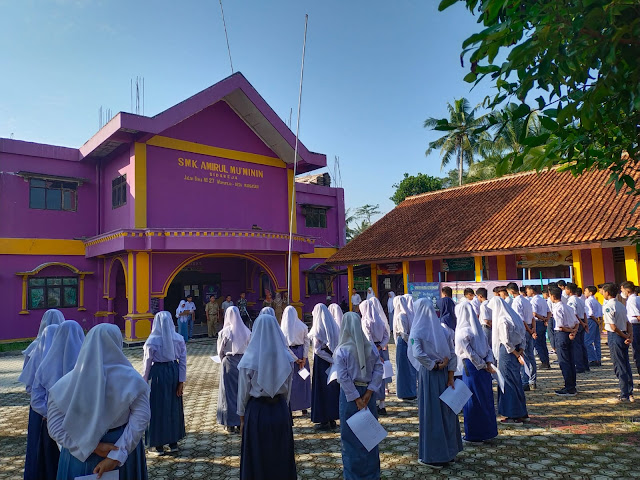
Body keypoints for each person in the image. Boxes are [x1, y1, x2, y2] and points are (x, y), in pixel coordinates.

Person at [48, 323, 150, 480]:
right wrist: (116, 455)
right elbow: (141, 418)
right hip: (121, 446)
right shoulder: (132, 379)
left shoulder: (64, 385)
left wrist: (92, 447)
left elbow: (55, 427)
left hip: (80, 455)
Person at [237, 314, 297, 480]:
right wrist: (284, 410)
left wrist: (242, 419)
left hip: (257, 412)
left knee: (258, 456)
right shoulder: (286, 358)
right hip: (279, 410)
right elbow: (288, 392)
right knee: (280, 454)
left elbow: (242, 394)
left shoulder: (248, 360)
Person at [410, 298, 462, 468]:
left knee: (432, 414)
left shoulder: (417, 331)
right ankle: (450, 452)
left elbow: (417, 354)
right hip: (445, 375)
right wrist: (450, 375)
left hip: (430, 374)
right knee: (446, 412)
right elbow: (453, 354)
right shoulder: (443, 331)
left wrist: (433, 365)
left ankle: (434, 456)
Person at [30, 321, 85, 480]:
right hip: (79, 424)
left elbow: (36, 399)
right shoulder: (88, 364)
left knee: (52, 462)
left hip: (52, 424)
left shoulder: (46, 365)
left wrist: (49, 414)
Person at [334, 312, 384, 480]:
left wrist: (356, 398)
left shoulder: (342, 350)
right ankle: (372, 474)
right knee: (368, 436)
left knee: (350, 439)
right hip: (368, 396)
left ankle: (353, 475)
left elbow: (343, 378)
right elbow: (379, 369)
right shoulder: (369, 347)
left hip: (350, 398)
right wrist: (369, 392)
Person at [142, 311, 186, 455]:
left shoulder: (151, 341)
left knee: (157, 407)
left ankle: (157, 445)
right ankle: (173, 443)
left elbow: (147, 364)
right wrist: (181, 381)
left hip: (158, 375)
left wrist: (143, 382)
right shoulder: (178, 338)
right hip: (173, 372)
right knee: (173, 406)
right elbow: (183, 361)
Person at [20, 324, 60, 480]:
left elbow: (30, 387)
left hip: (42, 413)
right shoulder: (71, 355)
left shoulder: (36, 349)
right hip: (61, 417)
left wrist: (47, 413)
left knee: (40, 448)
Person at [455, 302, 498, 443]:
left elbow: (469, 353)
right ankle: (487, 431)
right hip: (484, 367)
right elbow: (488, 349)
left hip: (472, 367)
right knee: (484, 398)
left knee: (472, 400)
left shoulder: (462, 331)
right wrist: (488, 363)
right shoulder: (478, 329)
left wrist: (482, 365)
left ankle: (474, 434)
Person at [488, 296, 528, 425]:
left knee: (507, 382)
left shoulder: (502, 320)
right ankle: (522, 412)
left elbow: (505, 342)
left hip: (507, 352)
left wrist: (516, 354)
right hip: (516, 350)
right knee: (516, 381)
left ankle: (513, 414)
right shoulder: (514, 317)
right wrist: (520, 350)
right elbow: (523, 336)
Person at [217, 306, 251, 433]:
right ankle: (240, 421)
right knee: (242, 392)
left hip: (229, 363)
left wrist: (223, 360)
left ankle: (229, 423)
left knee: (228, 393)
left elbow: (220, 351)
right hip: (243, 363)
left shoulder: (224, 332)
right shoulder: (247, 331)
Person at [309, 303, 341, 431]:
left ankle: (323, 419)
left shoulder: (317, 328)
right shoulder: (333, 326)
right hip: (331, 358)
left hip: (322, 361)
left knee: (321, 390)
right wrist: (333, 359)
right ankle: (332, 417)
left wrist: (330, 359)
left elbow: (317, 350)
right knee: (331, 388)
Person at [602, 283, 634, 402]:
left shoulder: (608, 306)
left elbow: (613, 327)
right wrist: (629, 335)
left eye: (604, 291)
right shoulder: (621, 305)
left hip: (616, 336)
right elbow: (628, 322)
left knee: (619, 365)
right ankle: (629, 392)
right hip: (624, 334)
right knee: (625, 363)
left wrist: (624, 335)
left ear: (608, 293)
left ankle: (624, 394)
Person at [360, 299, 390, 415]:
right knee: (381, 376)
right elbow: (387, 337)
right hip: (380, 349)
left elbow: (368, 339)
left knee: (371, 377)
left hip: (370, 351)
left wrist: (375, 352)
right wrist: (380, 347)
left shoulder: (366, 322)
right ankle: (382, 404)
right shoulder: (380, 321)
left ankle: (373, 402)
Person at [281, 305, 311, 415]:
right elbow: (307, 342)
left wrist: (295, 359)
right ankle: (304, 406)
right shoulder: (303, 326)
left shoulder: (282, 329)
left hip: (290, 357)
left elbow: (285, 346)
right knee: (304, 380)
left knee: (291, 382)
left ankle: (291, 406)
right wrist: (304, 358)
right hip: (302, 353)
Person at [550, 286, 579, 396]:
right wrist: (573, 332)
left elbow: (560, 326)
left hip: (562, 335)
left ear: (553, 296)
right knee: (571, 361)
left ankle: (569, 387)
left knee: (564, 362)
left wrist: (571, 330)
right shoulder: (568, 307)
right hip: (570, 334)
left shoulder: (557, 308)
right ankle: (572, 385)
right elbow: (577, 322)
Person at [508, 283, 537, 390]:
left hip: (523, 330)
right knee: (531, 356)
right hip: (530, 327)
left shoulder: (516, 302)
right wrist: (533, 329)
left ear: (511, 291)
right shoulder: (526, 300)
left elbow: (520, 320)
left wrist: (529, 330)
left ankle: (525, 381)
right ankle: (532, 380)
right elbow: (532, 318)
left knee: (523, 355)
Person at [392, 295, 417, 400]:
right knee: (410, 369)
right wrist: (412, 343)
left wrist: (409, 343)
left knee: (403, 369)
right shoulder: (410, 314)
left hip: (403, 343)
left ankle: (404, 392)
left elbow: (404, 334)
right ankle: (411, 390)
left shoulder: (401, 316)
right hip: (409, 343)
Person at [370, 296, 393, 397]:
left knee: (382, 367)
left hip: (379, 346)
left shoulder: (373, 318)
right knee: (383, 366)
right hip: (382, 345)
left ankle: (384, 388)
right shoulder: (381, 317)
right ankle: (384, 388)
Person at [566, 283, 590, 373]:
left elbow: (574, 314)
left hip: (577, 323)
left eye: (566, 289)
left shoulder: (571, 301)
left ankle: (579, 366)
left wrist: (582, 323)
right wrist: (585, 323)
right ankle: (585, 365)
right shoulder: (580, 300)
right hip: (582, 321)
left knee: (576, 346)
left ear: (569, 290)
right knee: (582, 344)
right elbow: (584, 313)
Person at [527, 285, 551, 369]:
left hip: (537, 322)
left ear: (532, 291)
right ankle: (546, 361)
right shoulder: (542, 299)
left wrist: (543, 318)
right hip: (542, 323)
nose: (527, 292)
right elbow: (549, 312)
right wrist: (546, 319)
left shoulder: (534, 301)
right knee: (543, 343)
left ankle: (544, 361)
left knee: (537, 344)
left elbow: (534, 313)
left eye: (528, 290)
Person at [621, 281, 640, 375]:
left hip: (635, 326)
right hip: (635, 326)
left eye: (622, 289)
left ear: (627, 290)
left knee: (637, 353)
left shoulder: (631, 300)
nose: (621, 292)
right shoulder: (637, 298)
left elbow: (637, 316)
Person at [584, 285, 603, 367]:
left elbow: (590, 313)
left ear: (590, 292)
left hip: (591, 320)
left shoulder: (588, 301)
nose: (584, 292)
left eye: (586, 291)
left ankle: (592, 359)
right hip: (596, 321)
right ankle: (598, 359)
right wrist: (599, 322)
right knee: (596, 341)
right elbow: (600, 312)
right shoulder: (596, 301)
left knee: (587, 341)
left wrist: (596, 321)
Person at [543, 286, 556, 354]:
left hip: (551, 318)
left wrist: (546, 320)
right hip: (552, 317)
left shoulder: (549, 300)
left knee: (551, 334)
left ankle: (554, 348)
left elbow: (550, 311)